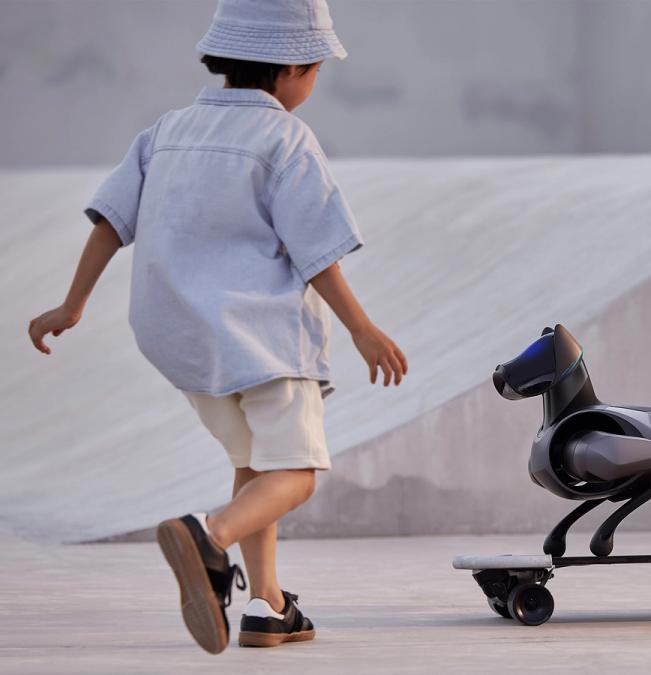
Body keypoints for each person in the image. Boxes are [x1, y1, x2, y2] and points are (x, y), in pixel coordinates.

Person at [27, 0, 407, 654]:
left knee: (257, 463)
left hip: (180, 339)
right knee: (298, 472)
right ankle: (208, 535)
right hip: (263, 338)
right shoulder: (285, 139)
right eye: (315, 70)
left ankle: (268, 605)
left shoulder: (167, 129)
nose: (313, 85)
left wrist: (72, 305)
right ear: (292, 67)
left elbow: (111, 222)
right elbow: (318, 252)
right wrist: (363, 330)